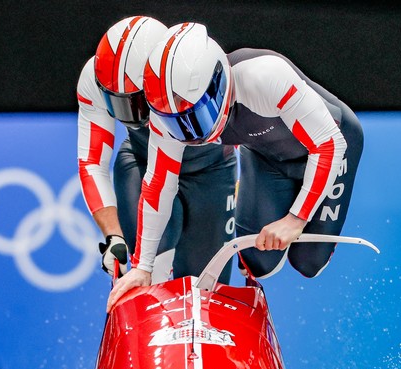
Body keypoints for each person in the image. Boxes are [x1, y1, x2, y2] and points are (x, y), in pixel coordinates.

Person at [108, 23, 363, 310]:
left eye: (195, 115)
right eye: (176, 122)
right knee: (259, 263)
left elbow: (329, 145)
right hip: (266, 155)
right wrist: (142, 266)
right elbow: (158, 187)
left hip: (333, 141)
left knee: (308, 262)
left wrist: (295, 219)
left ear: (218, 84)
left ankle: (295, 217)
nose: (190, 134)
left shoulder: (263, 76)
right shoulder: (166, 114)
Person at [77, 16, 237, 283]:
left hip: (212, 171)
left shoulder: (191, 72)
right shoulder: (93, 78)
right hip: (142, 163)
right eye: (117, 103)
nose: (129, 115)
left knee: (206, 289)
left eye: (136, 102)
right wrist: (113, 235)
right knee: (151, 272)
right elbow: (91, 161)